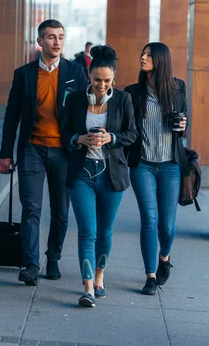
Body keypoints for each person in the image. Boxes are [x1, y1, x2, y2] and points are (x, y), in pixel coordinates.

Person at [0, 19, 89, 285]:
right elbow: (11, 116)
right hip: (32, 150)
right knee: (31, 209)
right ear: (40, 42)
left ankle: (54, 257)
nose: (57, 42)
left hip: (64, 151)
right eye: (50, 37)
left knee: (61, 210)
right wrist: (6, 154)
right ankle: (31, 265)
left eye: (60, 36)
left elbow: (86, 110)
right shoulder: (24, 74)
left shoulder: (76, 72)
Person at [62, 45, 137, 307]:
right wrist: (78, 138)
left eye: (107, 81)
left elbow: (132, 134)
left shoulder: (123, 100)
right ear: (88, 76)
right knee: (87, 232)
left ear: (113, 80)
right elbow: (63, 132)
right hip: (81, 173)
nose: (101, 86)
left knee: (105, 232)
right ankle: (87, 289)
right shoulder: (74, 99)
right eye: (96, 80)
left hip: (111, 176)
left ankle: (99, 277)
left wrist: (111, 137)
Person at [124, 42, 189, 296]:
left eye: (149, 55)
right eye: (142, 53)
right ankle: (150, 276)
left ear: (161, 60)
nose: (143, 57)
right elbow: (128, 128)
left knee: (168, 227)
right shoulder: (133, 92)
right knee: (149, 220)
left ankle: (164, 258)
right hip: (142, 165)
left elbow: (183, 122)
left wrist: (182, 123)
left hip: (171, 165)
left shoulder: (177, 87)